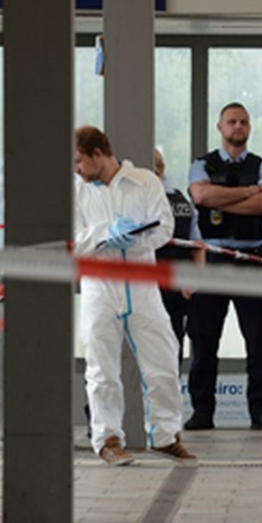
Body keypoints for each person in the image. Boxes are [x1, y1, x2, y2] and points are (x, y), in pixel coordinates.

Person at [72, 126, 195, 466]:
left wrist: (134, 240)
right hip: (99, 286)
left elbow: (164, 229)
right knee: (101, 368)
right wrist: (104, 235)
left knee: (163, 361)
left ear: (99, 154)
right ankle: (108, 439)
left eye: (79, 161)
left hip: (142, 283)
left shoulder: (145, 182)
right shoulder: (78, 194)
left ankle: (165, 436)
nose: (76, 169)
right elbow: (72, 241)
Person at [186, 103, 262, 432]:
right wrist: (245, 193)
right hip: (211, 261)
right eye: (232, 122)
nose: (237, 127)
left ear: (249, 128)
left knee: (257, 341)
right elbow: (200, 196)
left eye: (243, 122)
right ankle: (201, 413)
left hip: (250, 262)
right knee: (204, 341)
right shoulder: (202, 165)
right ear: (219, 126)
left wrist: (223, 197)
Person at [153, 148, 205, 363]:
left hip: (150, 285)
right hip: (177, 287)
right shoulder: (183, 202)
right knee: (172, 347)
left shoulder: (146, 201)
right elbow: (198, 246)